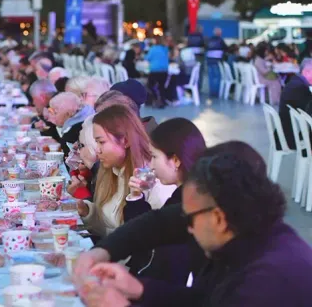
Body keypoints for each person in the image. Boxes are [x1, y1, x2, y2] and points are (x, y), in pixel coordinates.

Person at [82, 149, 312, 307]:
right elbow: (203, 300)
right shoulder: (246, 231)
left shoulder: (266, 282)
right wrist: (139, 287)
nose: (187, 229)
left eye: (189, 220)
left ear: (219, 218)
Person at [123, 118, 206, 283]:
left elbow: (147, 238)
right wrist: (136, 196)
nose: (151, 165)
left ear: (175, 160)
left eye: (154, 156)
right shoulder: (189, 192)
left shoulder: (185, 203)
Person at [77, 105, 174, 238]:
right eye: (96, 143)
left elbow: (149, 241)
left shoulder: (152, 181)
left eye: (101, 142)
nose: (97, 150)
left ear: (126, 141)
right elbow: (110, 228)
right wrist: (87, 211)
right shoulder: (111, 171)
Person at [278, 58, 312, 149]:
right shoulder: (299, 89)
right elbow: (309, 111)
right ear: (307, 72)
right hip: (292, 138)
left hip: (287, 133)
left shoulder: (295, 82)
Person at [66, 116, 100, 200]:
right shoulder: (97, 170)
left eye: (81, 145)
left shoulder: (108, 171)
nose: (77, 149)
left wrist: (76, 195)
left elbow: (103, 210)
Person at [145, 36, 170, 108]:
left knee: (150, 86)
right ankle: (163, 101)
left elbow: (147, 58)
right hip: (164, 71)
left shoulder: (153, 49)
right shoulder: (165, 49)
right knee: (161, 87)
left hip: (154, 71)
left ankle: (156, 99)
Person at [205, 27, 227, 98]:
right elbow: (226, 48)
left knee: (211, 77)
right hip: (217, 61)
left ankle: (212, 92)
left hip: (209, 60)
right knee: (217, 77)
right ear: (219, 33)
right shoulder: (220, 40)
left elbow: (206, 48)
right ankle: (216, 93)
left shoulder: (209, 40)